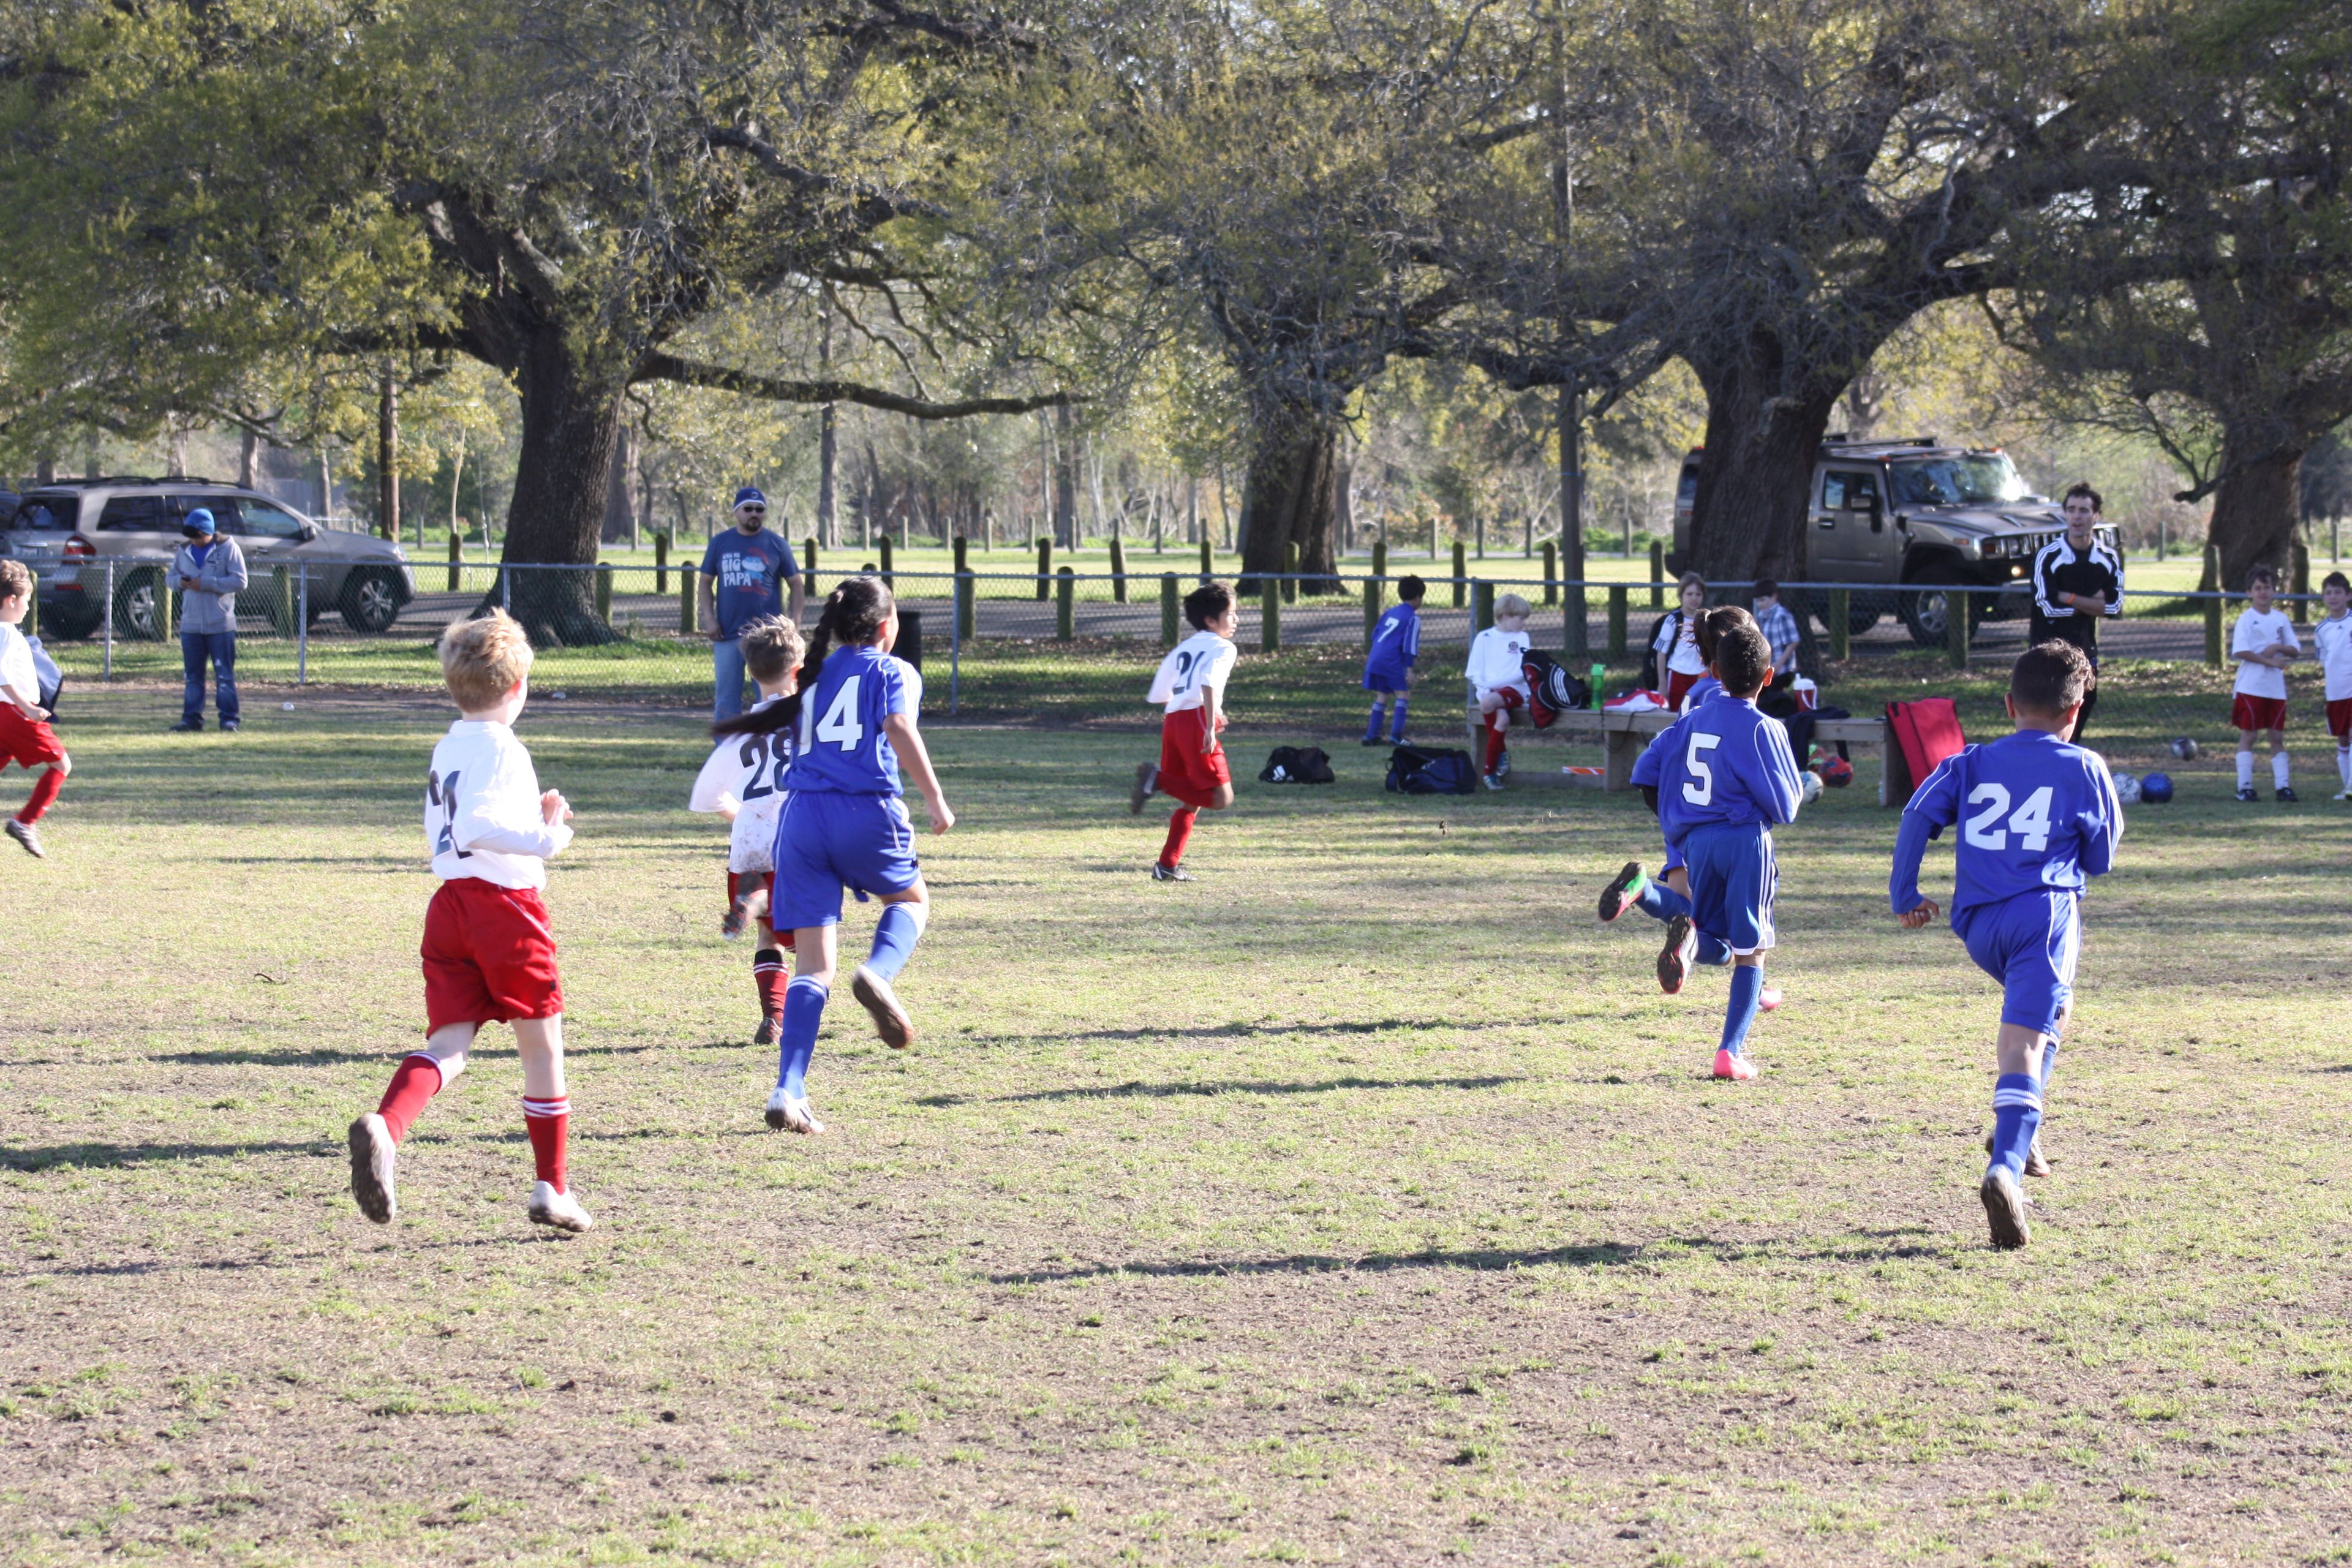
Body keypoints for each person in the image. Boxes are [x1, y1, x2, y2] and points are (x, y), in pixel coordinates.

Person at [347, 611, 591, 1234]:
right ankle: (552, 1187)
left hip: (450, 906)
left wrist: (532, 818)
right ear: (517, 689)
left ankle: (387, 1126)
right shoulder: (505, 746)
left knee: (449, 1045)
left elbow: (462, 820)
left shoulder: (451, 743)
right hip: (504, 910)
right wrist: (546, 837)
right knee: (542, 1051)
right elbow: (478, 825)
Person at [1889, 641, 2120, 1250]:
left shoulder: (1969, 761)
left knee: (2053, 1014)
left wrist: (1904, 891)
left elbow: (1917, 814)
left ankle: (2021, 1130)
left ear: (2009, 704)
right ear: (2076, 712)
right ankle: (2006, 1169)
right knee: (2023, 1039)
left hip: (1978, 923)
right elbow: (2099, 859)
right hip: (2042, 915)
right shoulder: (2085, 767)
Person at [755, 576, 953, 1134]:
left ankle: (788, 1090)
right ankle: (879, 973)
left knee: (813, 966)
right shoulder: (893, 670)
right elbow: (896, 725)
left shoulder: (810, 678)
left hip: (801, 818)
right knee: (911, 902)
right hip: (864, 809)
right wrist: (935, 798)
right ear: (887, 628)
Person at [1604, 622, 1801, 1080]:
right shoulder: (1763, 728)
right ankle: (1730, 1053)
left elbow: (1645, 769)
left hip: (1697, 843)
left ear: (1714, 671)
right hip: (1745, 840)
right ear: (1769, 677)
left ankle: (1648, 895)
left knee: (1714, 935)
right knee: (1753, 951)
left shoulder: (1691, 718)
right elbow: (1786, 807)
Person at [690, 616, 807, 1045]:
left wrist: (742, 813)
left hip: (749, 843)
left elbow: (706, 796)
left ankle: (773, 1018)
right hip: (798, 841)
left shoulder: (739, 735)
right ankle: (796, 1018)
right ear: (799, 671)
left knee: (768, 935)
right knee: (808, 944)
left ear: (751, 674)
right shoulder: (808, 725)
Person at [1131, 581, 1239, 881]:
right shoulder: (1224, 647)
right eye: (1231, 614)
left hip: (1174, 720)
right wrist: (1209, 724)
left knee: (1194, 796)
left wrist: (1211, 710)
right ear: (1210, 620)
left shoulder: (1185, 647)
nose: (1236, 620)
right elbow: (1207, 681)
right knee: (1220, 798)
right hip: (1196, 723)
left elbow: (1161, 691)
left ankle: (1167, 865)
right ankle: (1158, 779)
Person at [2027, 484, 2124, 744]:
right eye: (2071, 510)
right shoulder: (2048, 556)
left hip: (2085, 654)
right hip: (2046, 652)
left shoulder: (2108, 558)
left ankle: (2065, 774)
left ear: (2096, 516)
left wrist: (2067, 595)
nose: (2077, 517)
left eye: (2084, 511)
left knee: (2079, 714)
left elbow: (2114, 607)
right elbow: (2047, 606)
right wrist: (2091, 602)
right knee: (2046, 725)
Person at [700, 486, 805, 721]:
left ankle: (774, 747)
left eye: (760, 510)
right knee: (727, 700)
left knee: (772, 698)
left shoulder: (777, 544)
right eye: (748, 509)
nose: (754, 514)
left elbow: (796, 584)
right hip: (728, 633)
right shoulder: (720, 543)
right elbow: (705, 582)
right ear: (736, 512)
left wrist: (794, 622)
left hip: (767, 638)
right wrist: (709, 618)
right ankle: (727, 751)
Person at [0, 561, 69, 859]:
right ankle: (25, 822)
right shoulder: (6, 631)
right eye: (27, 601)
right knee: (62, 765)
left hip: (6, 715)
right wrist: (28, 707)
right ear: (11, 600)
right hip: (16, 715)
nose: (28, 608)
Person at [169, 507, 248, 733]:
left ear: (210, 532)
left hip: (220, 625)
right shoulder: (184, 551)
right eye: (191, 536)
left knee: (224, 675)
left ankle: (229, 720)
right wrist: (180, 582)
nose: (195, 541)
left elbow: (240, 581)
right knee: (193, 677)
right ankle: (191, 720)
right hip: (191, 625)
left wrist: (207, 583)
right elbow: (170, 577)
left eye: (198, 536)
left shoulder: (228, 549)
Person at [2229, 564, 2299, 802]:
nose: (2262, 593)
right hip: (2251, 688)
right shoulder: (2246, 620)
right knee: (2249, 736)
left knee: (2276, 737)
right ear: (2249, 592)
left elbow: (2295, 649)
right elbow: (2241, 651)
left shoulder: (2281, 619)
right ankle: (2245, 787)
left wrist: (2279, 648)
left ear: (2274, 591)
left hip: (2275, 690)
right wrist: (2268, 661)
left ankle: (2283, 787)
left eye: (2267, 588)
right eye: (2258, 588)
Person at [1466, 592, 1535, 790]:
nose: (1524, 623)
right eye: (1521, 619)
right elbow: (1474, 673)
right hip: (1488, 692)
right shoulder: (1484, 637)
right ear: (1505, 616)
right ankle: (1498, 759)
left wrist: (1491, 686)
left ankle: (1489, 772)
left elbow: (1521, 674)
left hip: (1513, 690)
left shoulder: (1522, 638)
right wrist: (1485, 688)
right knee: (1502, 720)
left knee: (1487, 703)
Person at [1361, 575, 1426, 745]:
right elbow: (1409, 646)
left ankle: (1371, 736)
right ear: (1418, 598)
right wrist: (1410, 669)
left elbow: (1374, 635)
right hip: (1391, 660)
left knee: (1382, 695)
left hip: (1375, 656)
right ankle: (1396, 736)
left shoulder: (1390, 612)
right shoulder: (1413, 618)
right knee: (1403, 695)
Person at [1645, 573, 1710, 710]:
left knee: (1698, 714)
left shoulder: (1706, 621)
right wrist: (1662, 683)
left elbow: (1710, 650)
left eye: (1698, 594)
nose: (1694, 598)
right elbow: (1661, 654)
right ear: (1681, 595)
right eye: (1690, 594)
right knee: (1677, 714)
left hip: (1700, 677)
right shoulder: (1672, 620)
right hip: (1677, 676)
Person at [2316, 571, 2352, 800]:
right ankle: (2346, 786)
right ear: (2323, 598)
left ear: (2348, 596)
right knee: (2342, 738)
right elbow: (2324, 660)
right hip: (2335, 692)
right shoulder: (2321, 630)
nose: (2333, 597)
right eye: (2328, 593)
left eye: (2338, 592)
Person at [1751, 579, 1801, 683]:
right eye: (1757, 601)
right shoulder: (1761, 615)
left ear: (1774, 597)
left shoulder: (1782, 616)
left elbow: (1793, 642)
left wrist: (1779, 664)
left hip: (1783, 670)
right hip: (1768, 667)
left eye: (1763, 600)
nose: (1760, 604)